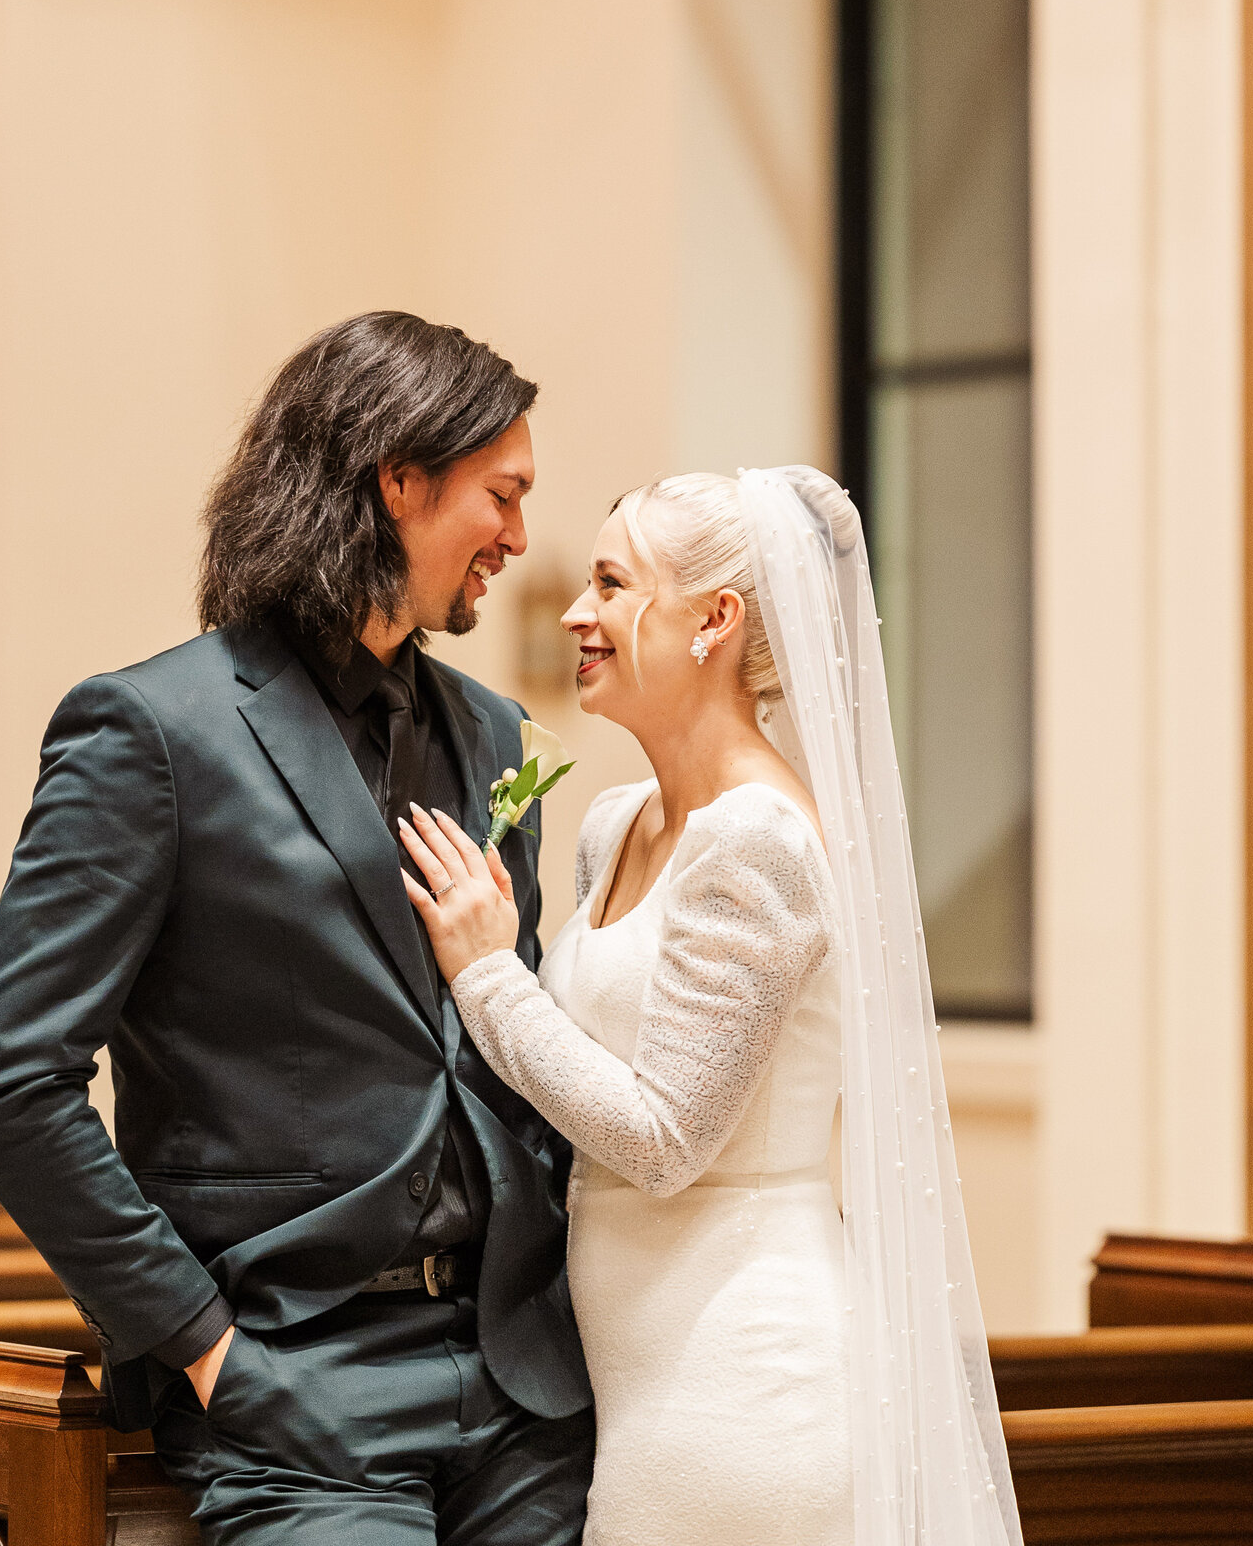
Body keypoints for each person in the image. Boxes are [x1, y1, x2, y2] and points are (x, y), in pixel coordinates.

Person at [0, 311, 593, 1546]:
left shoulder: (495, 737)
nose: (516, 537)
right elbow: (5, 1079)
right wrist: (208, 1350)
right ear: (399, 478)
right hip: (297, 1380)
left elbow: (510, 1050)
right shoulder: (151, 733)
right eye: (499, 495)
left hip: (521, 1392)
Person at [401, 466, 1024, 1546]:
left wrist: (487, 973)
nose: (575, 613)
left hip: (744, 1384)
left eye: (610, 581)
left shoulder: (758, 841)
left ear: (715, 621)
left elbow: (665, 1137)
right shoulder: (618, 822)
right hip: (636, 1380)